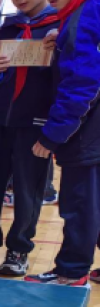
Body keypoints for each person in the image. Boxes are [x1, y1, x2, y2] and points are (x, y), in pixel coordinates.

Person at [0, 0, 59, 277]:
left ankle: (19, 249)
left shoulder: (59, 26)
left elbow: (67, 77)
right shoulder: (8, 26)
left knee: (28, 191)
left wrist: (59, 52)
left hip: (34, 123)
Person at [25, 0, 100, 287]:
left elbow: (83, 84)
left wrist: (53, 134)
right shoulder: (82, 15)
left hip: (88, 132)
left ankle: (71, 272)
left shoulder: (84, 14)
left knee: (80, 202)